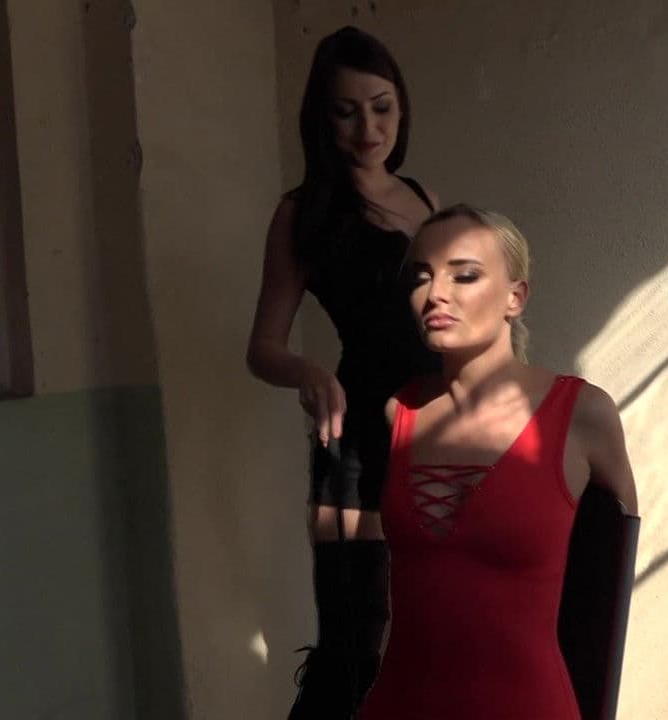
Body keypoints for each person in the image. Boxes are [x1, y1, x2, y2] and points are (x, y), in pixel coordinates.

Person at [358, 205, 639, 720]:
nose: (436, 294)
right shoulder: (398, 411)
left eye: (464, 275)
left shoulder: (583, 414)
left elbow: (608, 588)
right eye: (422, 276)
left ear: (516, 296)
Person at [245, 25, 441, 719]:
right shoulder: (302, 212)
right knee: (355, 639)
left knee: (436, 625)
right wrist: (305, 371)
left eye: (382, 108)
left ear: (401, 107)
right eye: (347, 112)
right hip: (355, 436)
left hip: (440, 428)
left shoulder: (423, 196)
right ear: (321, 121)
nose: (369, 129)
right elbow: (261, 347)